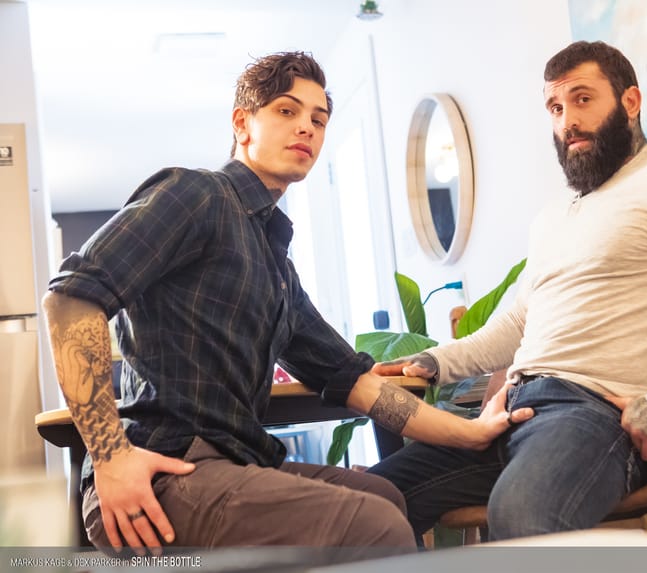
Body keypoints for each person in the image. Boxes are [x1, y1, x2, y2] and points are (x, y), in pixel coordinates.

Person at [42, 51, 533, 554]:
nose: (306, 128)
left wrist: (472, 432)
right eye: (286, 110)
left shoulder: (275, 264)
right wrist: (111, 457)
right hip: (160, 469)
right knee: (374, 524)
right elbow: (70, 299)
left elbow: (357, 384)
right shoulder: (197, 195)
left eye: (318, 120)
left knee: (387, 496)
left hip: (234, 463)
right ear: (242, 123)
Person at [370, 40, 647, 541]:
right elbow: (517, 323)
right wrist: (433, 362)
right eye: (555, 107)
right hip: (507, 413)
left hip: (593, 416)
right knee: (362, 505)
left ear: (630, 102)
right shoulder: (553, 217)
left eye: (582, 99)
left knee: (521, 513)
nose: (567, 121)